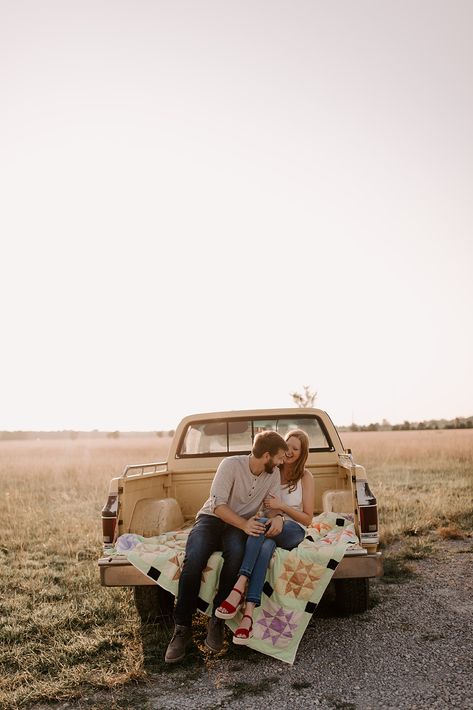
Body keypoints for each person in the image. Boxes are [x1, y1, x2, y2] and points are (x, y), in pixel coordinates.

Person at [164, 430, 289, 663]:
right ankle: (182, 628)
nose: (283, 461)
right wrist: (244, 525)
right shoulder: (230, 465)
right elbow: (218, 505)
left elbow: (272, 505)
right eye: (280, 456)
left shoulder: (272, 474)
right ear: (266, 455)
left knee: (236, 556)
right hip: (211, 519)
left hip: (237, 527)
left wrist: (278, 517)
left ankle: (217, 620)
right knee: (194, 559)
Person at [215, 429, 314, 644]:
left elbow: (308, 519)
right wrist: (273, 516)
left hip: (293, 529)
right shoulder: (271, 470)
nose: (289, 452)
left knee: (260, 527)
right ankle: (248, 614)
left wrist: (281, 509)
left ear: (302, 453)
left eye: (295, 449)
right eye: (287, 447)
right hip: (268, 525)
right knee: (266, 546)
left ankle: (239, 585)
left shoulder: (306, 477)